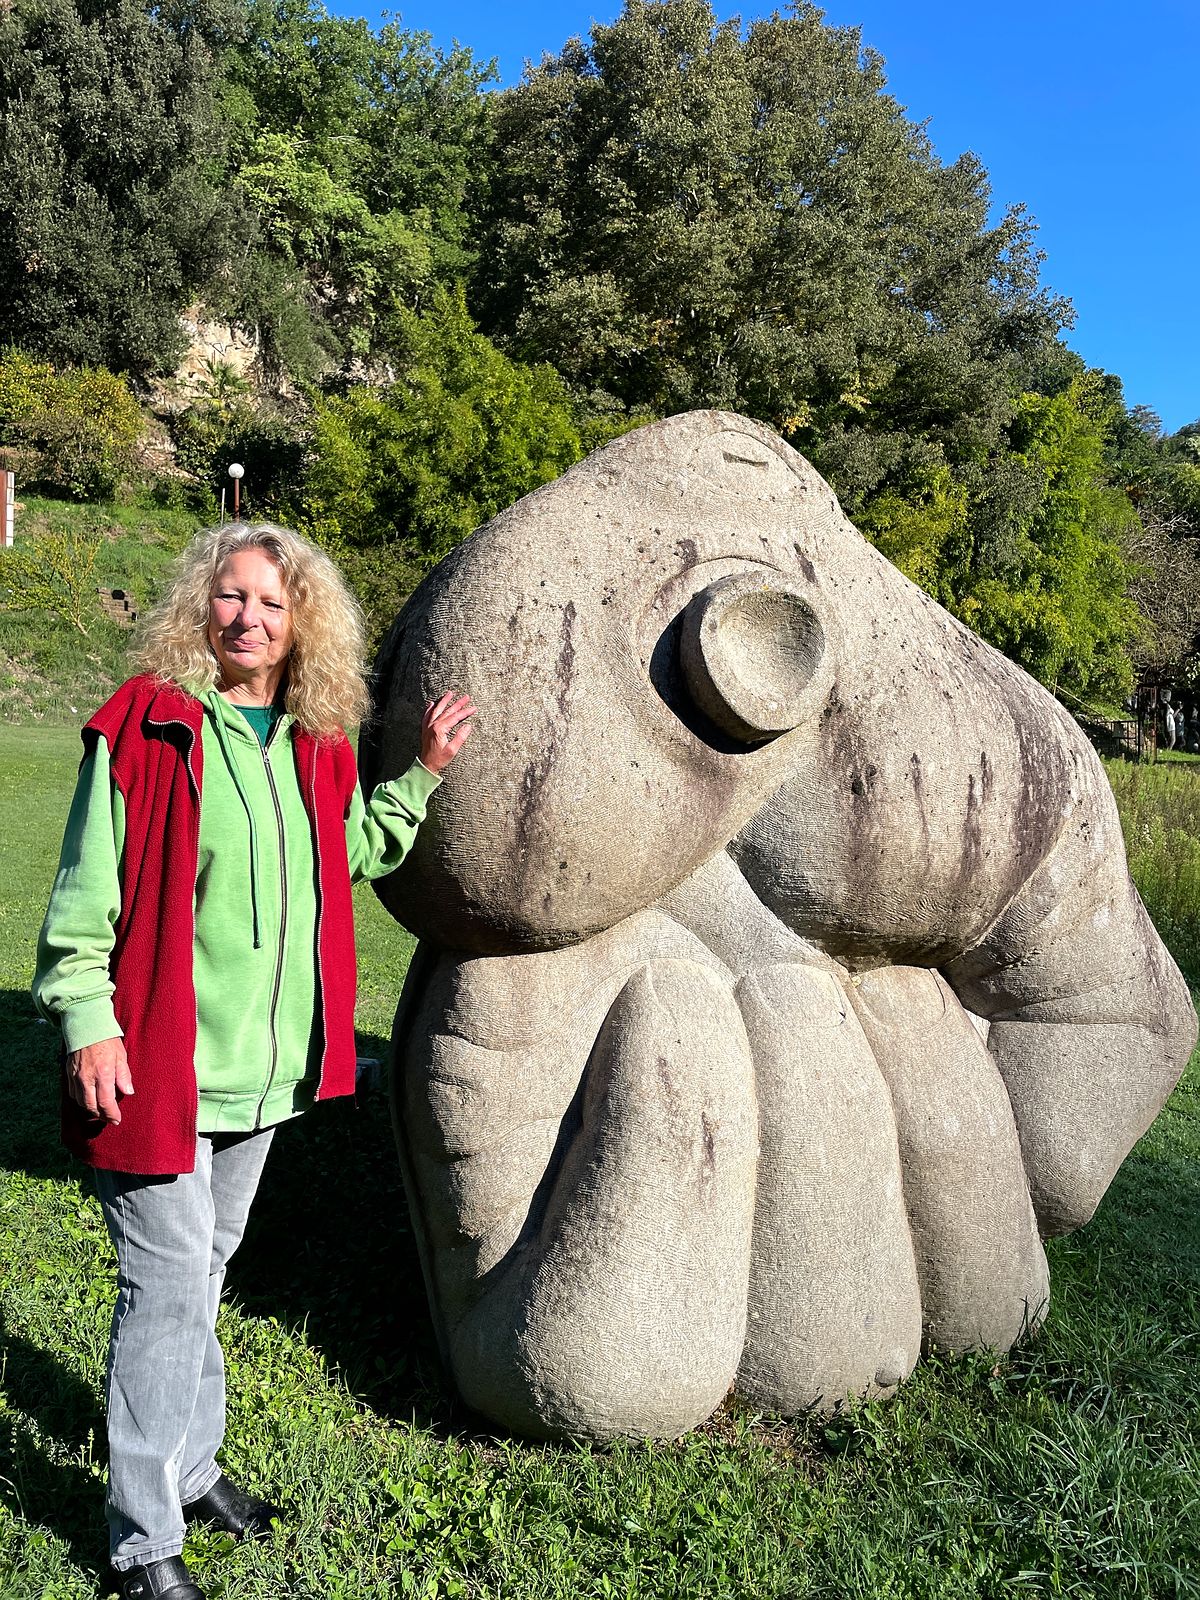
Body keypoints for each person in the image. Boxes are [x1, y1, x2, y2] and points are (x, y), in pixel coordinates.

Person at [32, 522, 474, 1600]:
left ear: (301, 622)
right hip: (156, 1067)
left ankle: (190, 1469)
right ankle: (141, 1540)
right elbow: (84, 895)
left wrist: (419, 775)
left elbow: (353, 852)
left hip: (260, 1076)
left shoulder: (313, 743)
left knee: (203, 1275)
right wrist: (87, 1020)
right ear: (202, 606)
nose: (248, 618)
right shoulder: (151, 726)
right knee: (166, 1289)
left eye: (272, 604)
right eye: (232, 597)